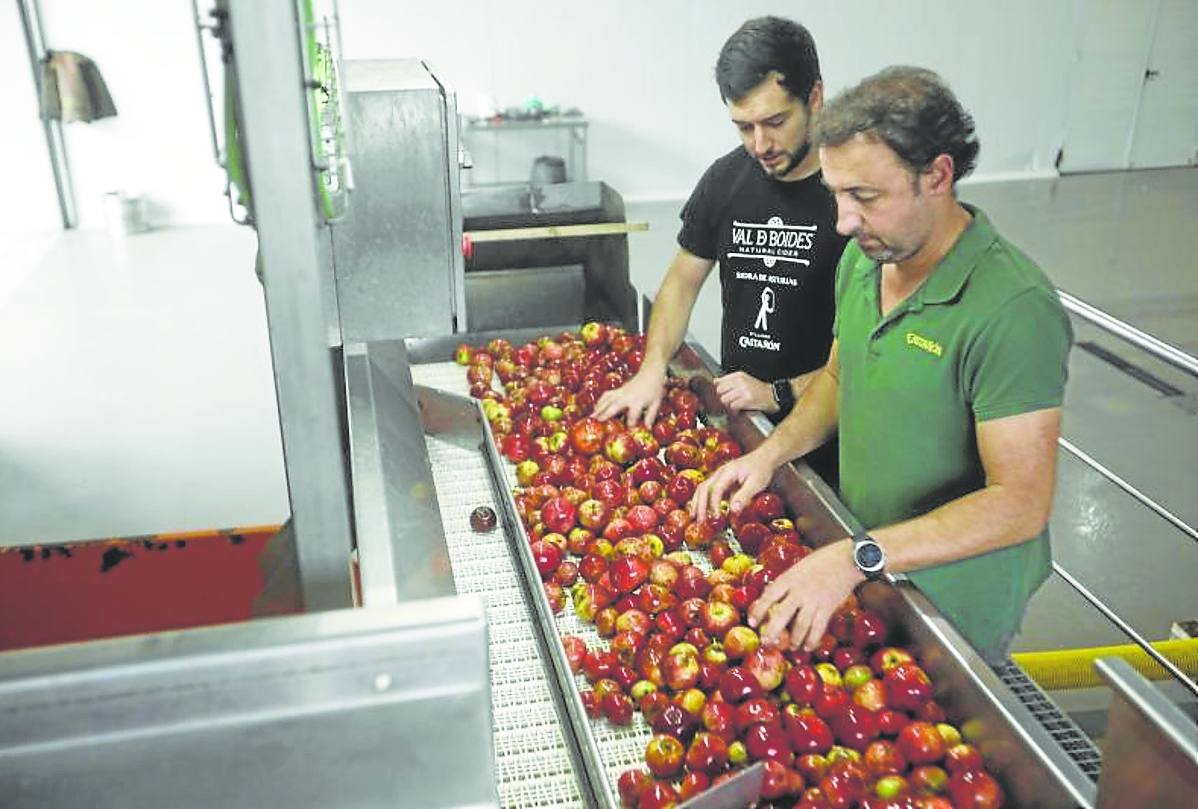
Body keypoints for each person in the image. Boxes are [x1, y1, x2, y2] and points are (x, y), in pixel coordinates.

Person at [691, 66, 1073, 665]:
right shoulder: (864, 263)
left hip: (954, 600)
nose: (843, 221)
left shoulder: (1013, 309)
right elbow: (840, 380)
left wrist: (855, 556)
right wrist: (767, 455)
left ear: (937, 175)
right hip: (868, 560)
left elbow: (1019, 503)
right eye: (837, 195)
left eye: (864, 197)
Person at [594, 17, 848, 480]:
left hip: (830, 448)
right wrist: (653, 369)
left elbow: (867, 355)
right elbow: (682, 279)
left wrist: (778, 393)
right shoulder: (725, 181)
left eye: (775, 122)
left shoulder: (852, 196)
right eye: (743, 127)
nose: (761, 145)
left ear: (815, 97)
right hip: (744, 427)